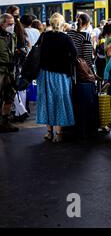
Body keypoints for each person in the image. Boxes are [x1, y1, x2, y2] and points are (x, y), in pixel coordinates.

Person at [36, 13, 77, 142]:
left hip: (45, 74)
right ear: (62, 23)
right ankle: (59, 134)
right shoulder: (66, 38)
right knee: (60, 100)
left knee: (47, 101)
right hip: (61, 75)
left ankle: (49, 132)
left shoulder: (44, 36)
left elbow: (36, 52)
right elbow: (74, 55)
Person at [0, 14, 19, 133]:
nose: (12, 26)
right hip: (0, 70)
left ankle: (5, 122)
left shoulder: (12, 36)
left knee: (9, 96)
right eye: (10, 24)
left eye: (13, 24)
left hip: (10, 71)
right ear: (2, 24)